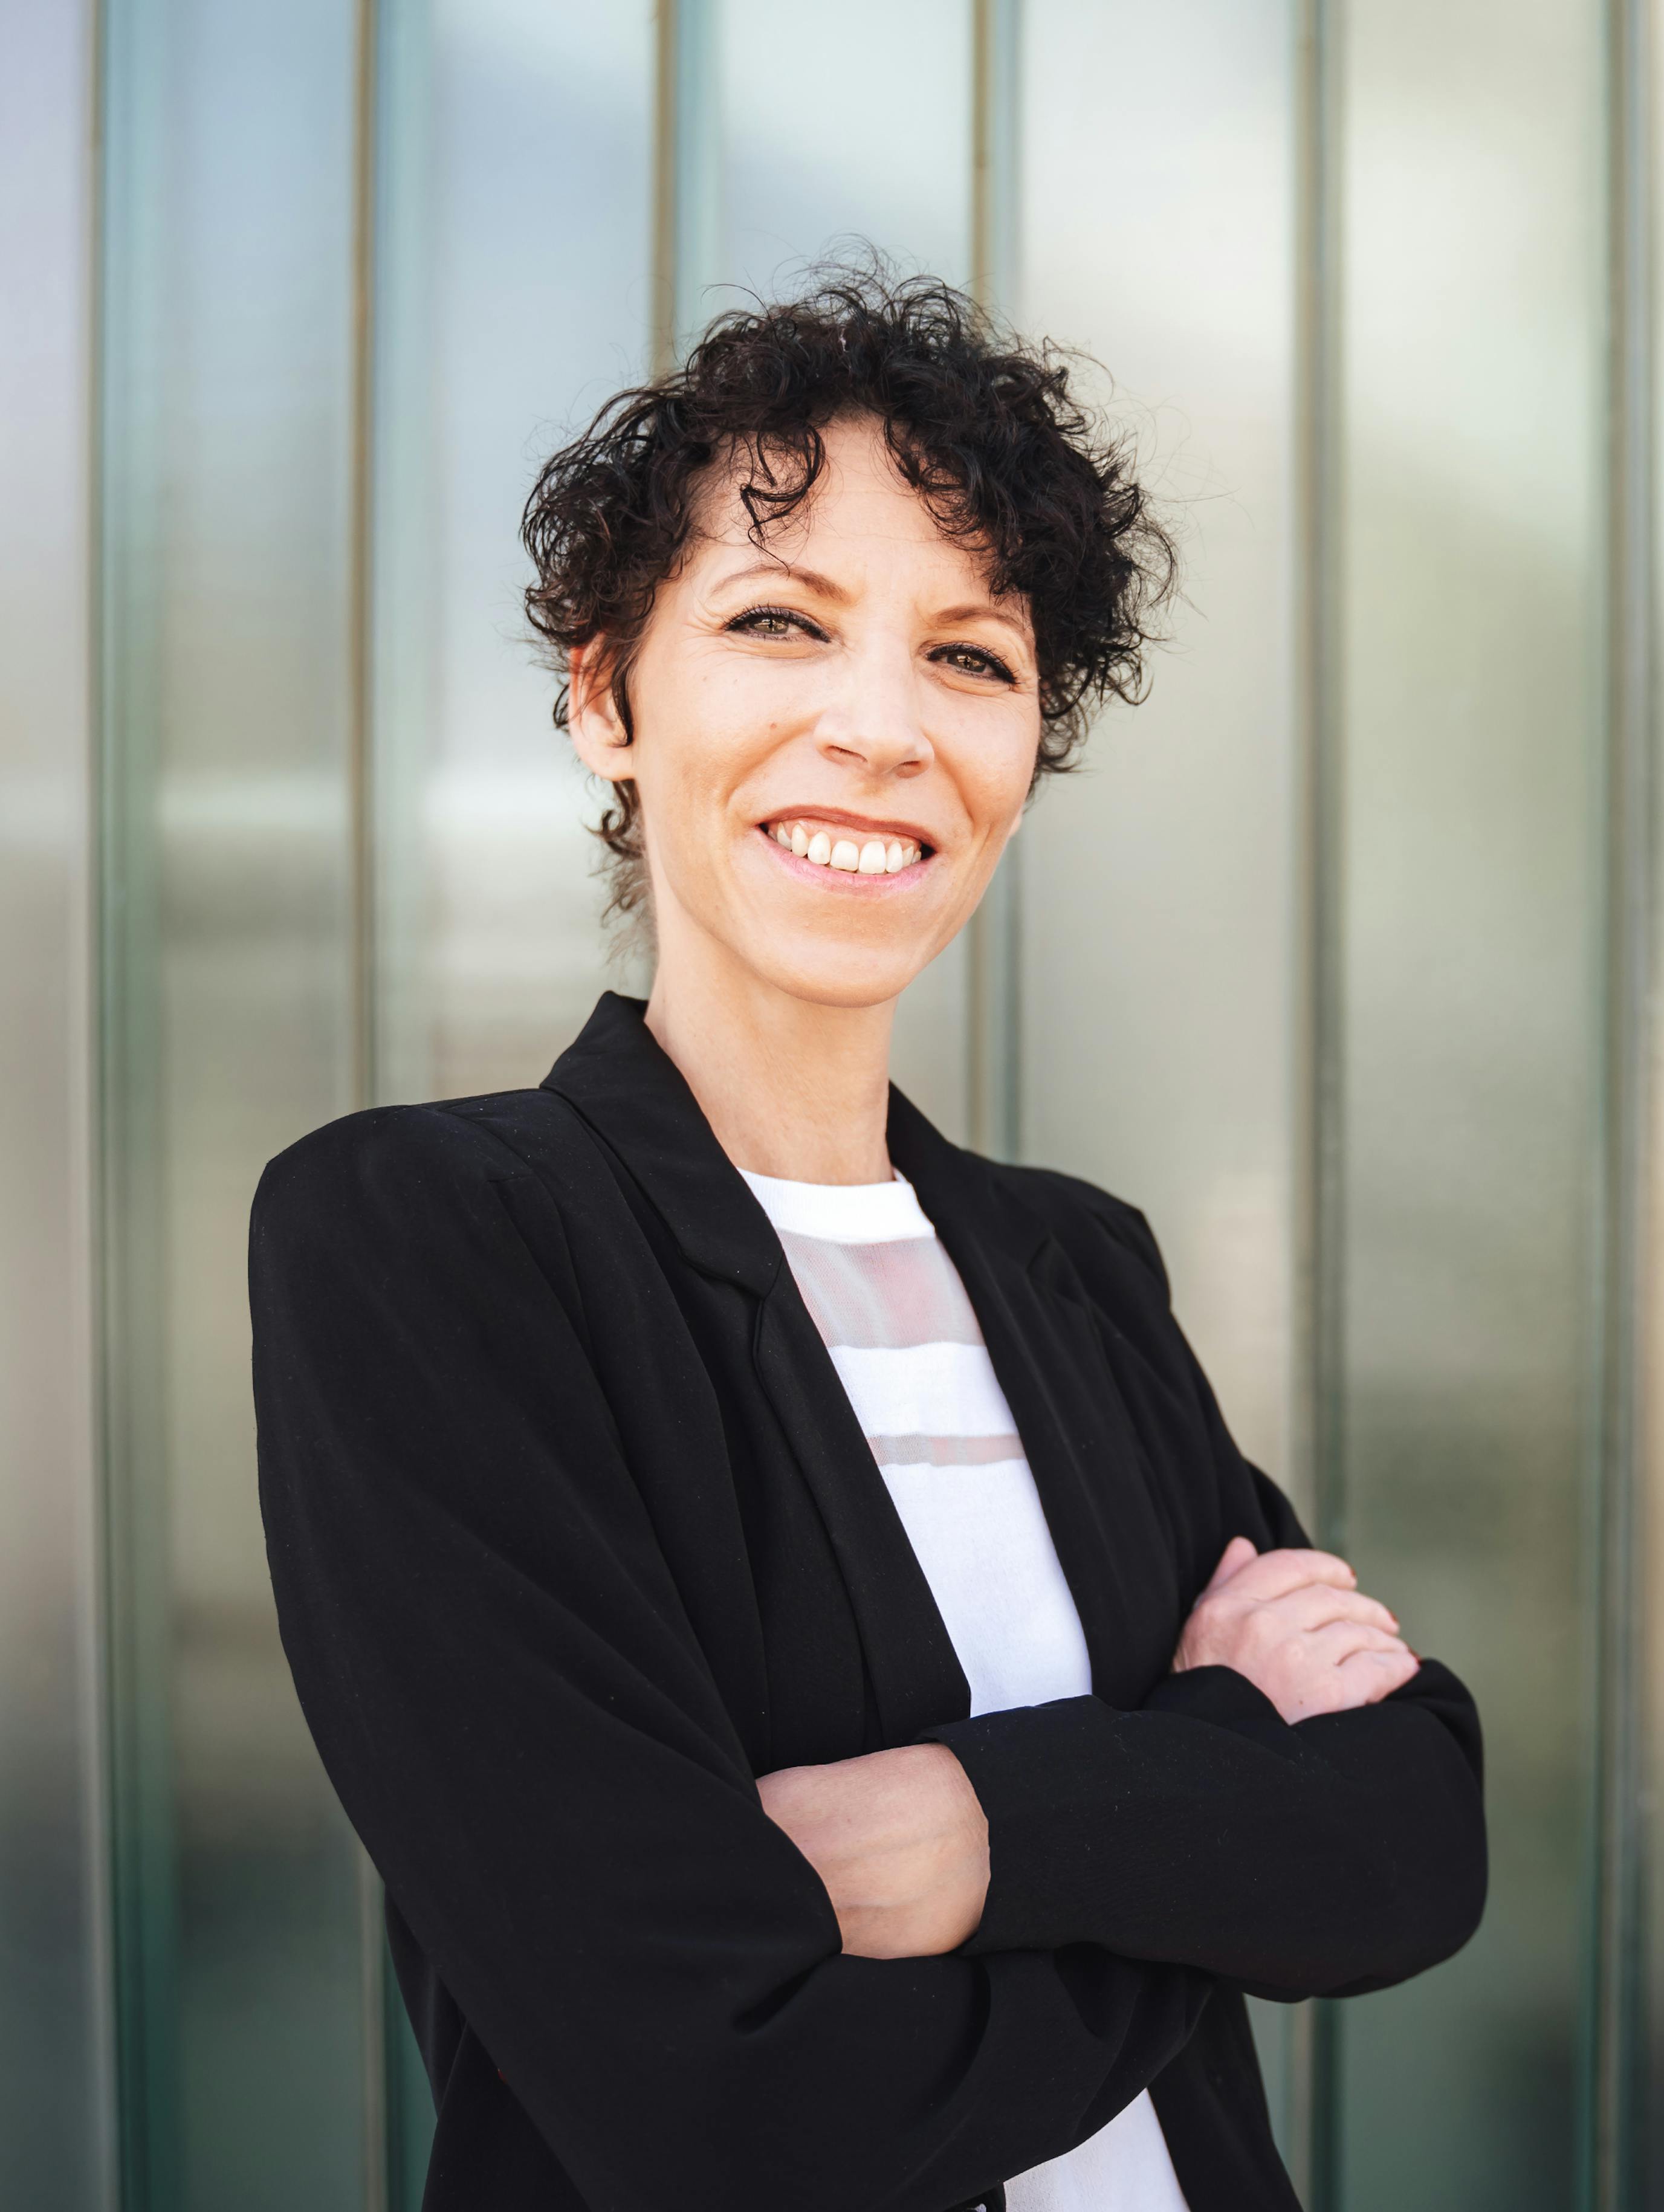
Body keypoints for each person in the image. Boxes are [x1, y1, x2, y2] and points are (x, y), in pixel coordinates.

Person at [251, 270, 1485, 2212]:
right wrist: (1214, 1775)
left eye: (973, 659)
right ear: (606, 697)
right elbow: (719, 2098)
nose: (883, 728)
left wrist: (974, 1824)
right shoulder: (429, 1242)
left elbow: (1413, 1831)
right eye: (778, 623)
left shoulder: (1076, 1266)